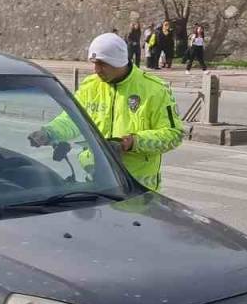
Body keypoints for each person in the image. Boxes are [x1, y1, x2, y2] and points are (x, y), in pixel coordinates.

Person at [28, 33, 182, 191]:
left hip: (137, 188)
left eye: (102, 64)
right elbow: (73, 120)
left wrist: (132, 143)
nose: (96, 69)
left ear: (118, 62)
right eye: (94, 63)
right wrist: (49, 132)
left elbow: (173, 134)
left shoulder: (155, 90)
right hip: (97, 181)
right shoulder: (90, 86)